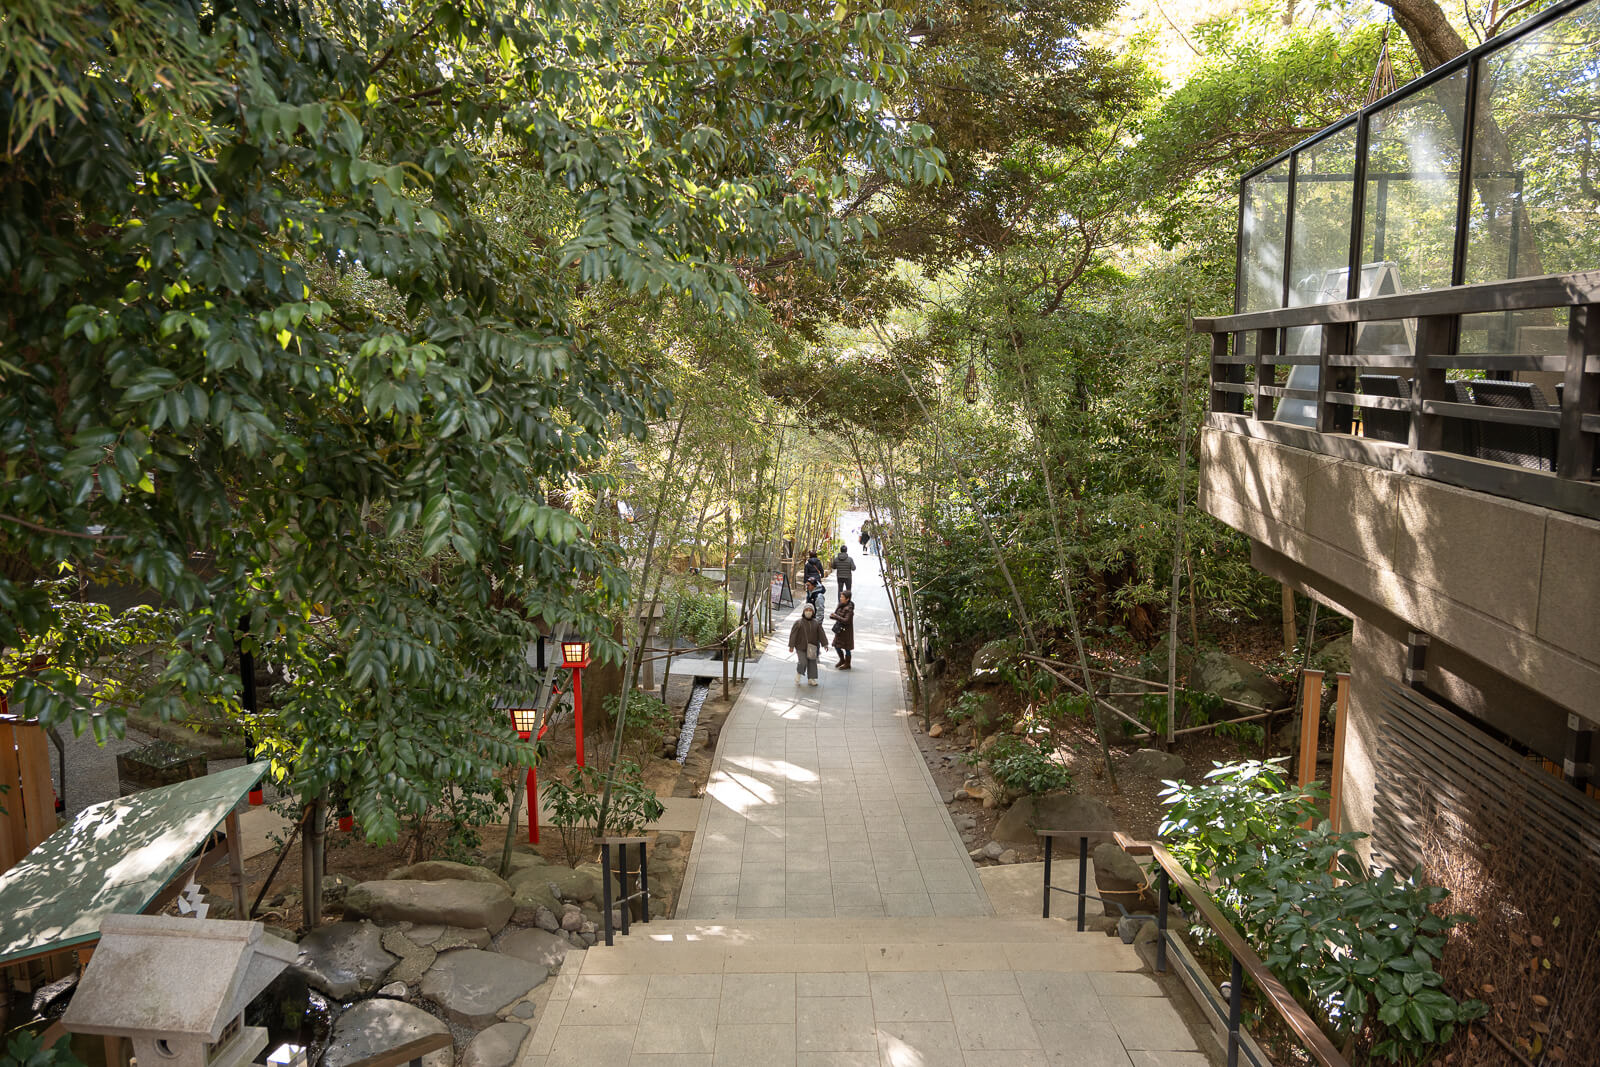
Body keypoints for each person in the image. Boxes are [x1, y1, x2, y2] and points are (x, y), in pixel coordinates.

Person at [788, 603, 828, 686]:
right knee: (803, 662)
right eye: (806, 610)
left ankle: (811, 678)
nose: (808, 612)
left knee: (812, 662)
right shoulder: (798, 623)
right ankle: (799, 674)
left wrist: (825, 644)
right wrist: (791, 646)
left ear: (813, 612)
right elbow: (793, 635)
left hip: (812, 646)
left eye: (810, 610)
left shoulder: (816, 623)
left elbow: (821, 634)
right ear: (803, 611)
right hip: (800, 647)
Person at [830, 590, 855, 669]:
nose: (840, 598)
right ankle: (842, 660)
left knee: (847, 648)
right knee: (836, 645)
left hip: (846, 632)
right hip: (839, 630)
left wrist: (836, 617)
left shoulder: (849, 609)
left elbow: (846, 620)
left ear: (847, 599)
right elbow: (836, 614)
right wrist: (833, 616)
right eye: (841, 596)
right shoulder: (840, 605)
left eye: (842, 597)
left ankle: (847, 663)